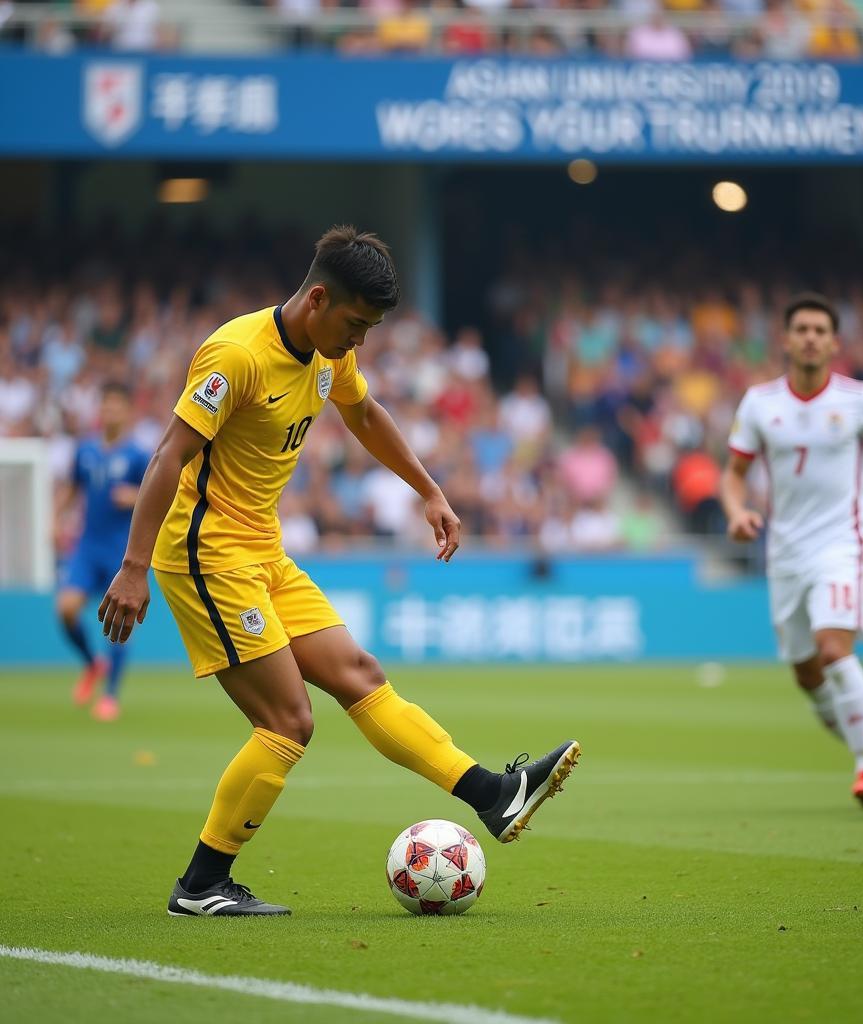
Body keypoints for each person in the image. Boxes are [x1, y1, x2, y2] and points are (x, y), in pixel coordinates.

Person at [98, 225, 580, 917]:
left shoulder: (328, 351)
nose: (360, 342)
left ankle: (494, 796)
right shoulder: (236, 356)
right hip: (205, 554)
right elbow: (168, 456)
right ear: (318, 298)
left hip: (262, 547)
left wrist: (430, 491)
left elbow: (363, 412)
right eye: (355, 324)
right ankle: (201, 885)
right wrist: (134, 567)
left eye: (371, 329)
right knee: (288, 722)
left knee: (360, 674)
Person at [720, 293, 863, 808]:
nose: (810, 337)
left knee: (832, 648)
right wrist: (736, 512)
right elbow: (732, 475)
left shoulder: (860, 400)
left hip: (841, 544)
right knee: (806, 672)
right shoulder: (760, 403)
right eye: (801, 328)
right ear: (785, 339)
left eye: (820, 330)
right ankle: (860, 739)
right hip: (785, 553)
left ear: (834, 342)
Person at [57, 382, 148, 722]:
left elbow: (159, 495)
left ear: (127, 412)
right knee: (66, 610)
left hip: (123, 551)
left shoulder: (139, 455)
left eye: (116, 406)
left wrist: (135, 497)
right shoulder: (85, 451)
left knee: (118, 622)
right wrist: (55, 516)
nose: (109, 412)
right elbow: (73, 486)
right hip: (87, 546)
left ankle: (110, 696)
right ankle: (91, 664)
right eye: (105, 406)